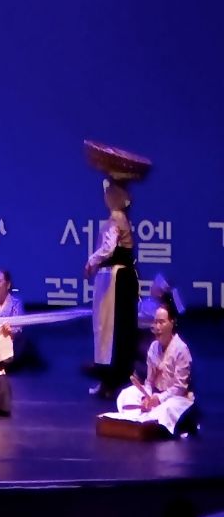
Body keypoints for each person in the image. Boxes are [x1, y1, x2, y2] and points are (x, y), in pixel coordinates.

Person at [110, 297, 197, 437]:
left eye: (161, 322)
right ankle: (140, 419)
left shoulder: (181, 349)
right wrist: (147, 397)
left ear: (172, 323)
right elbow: (149, 382)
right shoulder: (153, 347)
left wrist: (158, 399)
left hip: (176, 398)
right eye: (155, 322)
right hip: (156, 395)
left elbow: (180, 388)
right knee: (127, 393)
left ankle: (154, 422)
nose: (157, 327)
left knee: (168, 408)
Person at [84, 179, 139, 398]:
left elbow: (108, 248)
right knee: (118, 329)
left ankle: (110, 380)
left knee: (109, 329)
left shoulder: (116, 216)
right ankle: (112, 380)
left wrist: (91, 261)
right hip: (121, 278)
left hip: (115, 280)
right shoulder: (122, 217)